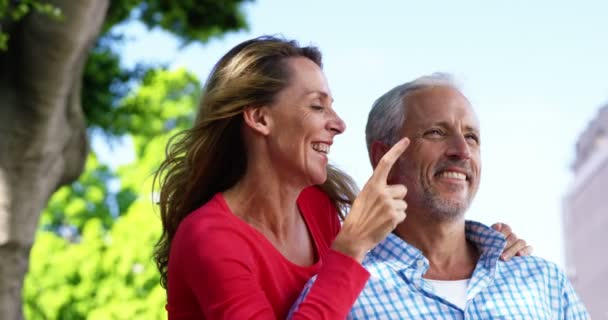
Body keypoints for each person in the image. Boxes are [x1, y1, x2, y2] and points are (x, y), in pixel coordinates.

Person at [154, 36, 531, 319]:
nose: (338, 124)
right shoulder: (210, 239)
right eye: (317, 106)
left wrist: (483, 249)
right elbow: (345, 270)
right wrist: (349, 249)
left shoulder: (317, 206)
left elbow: (393, 261)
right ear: (260, 118)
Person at [291, 73, 589, 319]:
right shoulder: (337, 299)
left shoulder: (543, 280)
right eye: (436, 132)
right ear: (385, 156)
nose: (462, 151)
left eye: (471, 137)